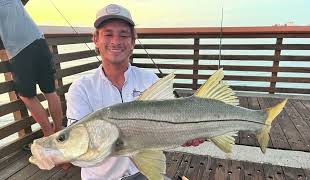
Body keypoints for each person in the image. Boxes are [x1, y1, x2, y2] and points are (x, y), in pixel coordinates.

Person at [66, 4, 202, 179]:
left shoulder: (150, 80)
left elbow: (169, 126)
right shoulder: (81, 88)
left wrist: (187, 133)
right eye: (108, 34)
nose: (116, 41)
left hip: (143, 172)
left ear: (133, 42)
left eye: (124, 35)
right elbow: (77, 147)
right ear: (95, 39)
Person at [0, 0, 63, 138]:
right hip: (39, 41)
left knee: (26, 95)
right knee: (50, 91)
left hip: (19, 50)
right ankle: (59, 131)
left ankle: (48, 133)